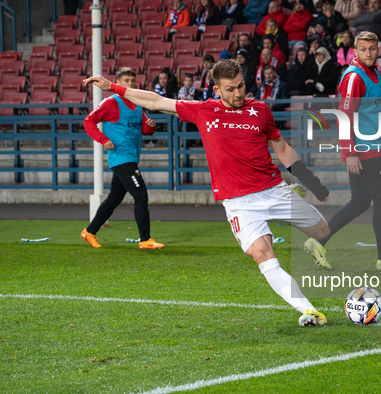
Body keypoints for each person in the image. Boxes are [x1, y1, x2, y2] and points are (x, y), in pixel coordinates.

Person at [84, 59, 331, 327]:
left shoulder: (260, 110)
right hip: (239, 202)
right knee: (262, 254)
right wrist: (113, 87)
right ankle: (309, 310)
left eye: (241, 86)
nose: (238, 94)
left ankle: (291, 223)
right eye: (230, 89)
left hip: (274, 190)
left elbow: (282, 150)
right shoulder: (204, 111)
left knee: (323, 232)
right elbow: (155, 101)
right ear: (216, 89)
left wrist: (314, 184)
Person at [303, 31, 381, 272]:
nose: (369, 53)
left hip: (369, 147)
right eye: (364, 49)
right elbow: (344, 116)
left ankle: (317, 241)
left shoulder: (373, 76)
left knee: (360, 201)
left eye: (372, 48)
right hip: (363, 150)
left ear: (378, 49)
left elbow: (379, 111)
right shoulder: (354, 77)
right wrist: (349, 152)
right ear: (355, 51)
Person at [81, 68, 163, 250]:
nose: (131, 84)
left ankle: (90, 231)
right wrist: (103, 139)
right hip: (121, 157)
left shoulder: (137, 102)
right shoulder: (111, 103)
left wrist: (150, 127)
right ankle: (145, 240)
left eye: (133, 81)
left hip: (131, 157)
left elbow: (143, 129)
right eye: (126, 80)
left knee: (114, 199)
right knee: (140, 195)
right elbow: (88, 121)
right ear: (117, 82)